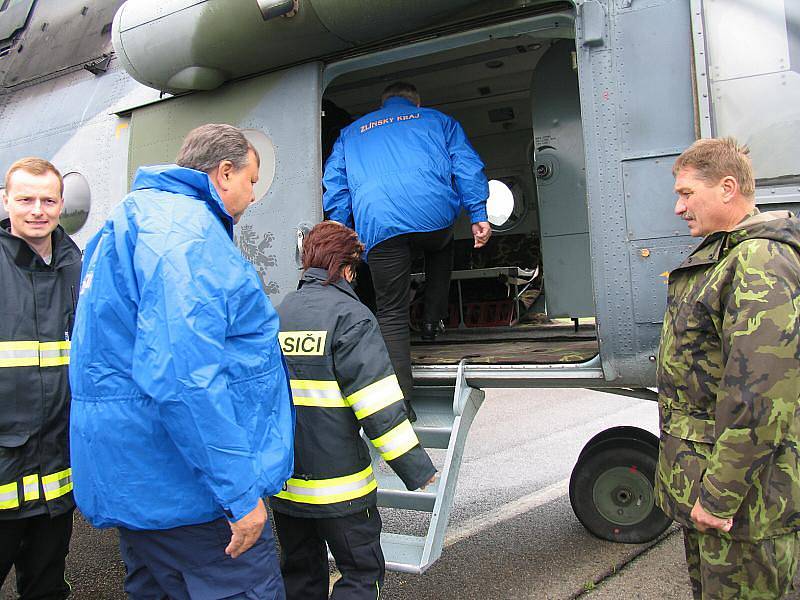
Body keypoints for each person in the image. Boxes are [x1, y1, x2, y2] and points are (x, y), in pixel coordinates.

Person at [69, 124, 294, 599]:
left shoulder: (127, 223)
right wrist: (238, 495)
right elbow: (183, 376)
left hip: (141, 486)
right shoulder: (186, 235)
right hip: (193, 496)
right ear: (224, 172)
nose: (253, 196)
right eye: (251, 181)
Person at [656, 137, 800, 599]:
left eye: (685, 193)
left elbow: (759, 396)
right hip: (716, 495)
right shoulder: (729, 256)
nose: (678, 208)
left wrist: (719, 497)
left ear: (727, 188)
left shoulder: (760, 260)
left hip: (745, 507)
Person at [272, 221, 437, 600]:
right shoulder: (352, 317)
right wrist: (417, 469)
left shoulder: (279, 315)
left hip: (286, 487)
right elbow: (377, 406)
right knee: (362, 574)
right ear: (348, 267)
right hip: (341, 490)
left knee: (300, 576)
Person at [323, 81, 491, 417]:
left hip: (379, 225)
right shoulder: (437, 120)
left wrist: (342, 229)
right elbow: (466, 166)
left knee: (391, 312)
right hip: (433, 217)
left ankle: (402, 402)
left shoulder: (351, 133)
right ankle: (431, 321)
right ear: (415, 103)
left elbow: (335, 186)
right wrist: (478, 214)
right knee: (442, 247)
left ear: (382, 103)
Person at [0, 158, 81, 599]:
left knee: (48, 588)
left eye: (48, 200)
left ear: (61, 204)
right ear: (5, 201)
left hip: (55, 474)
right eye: (25, 199)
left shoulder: (77, 267)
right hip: (3, 470)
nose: (37, 210)